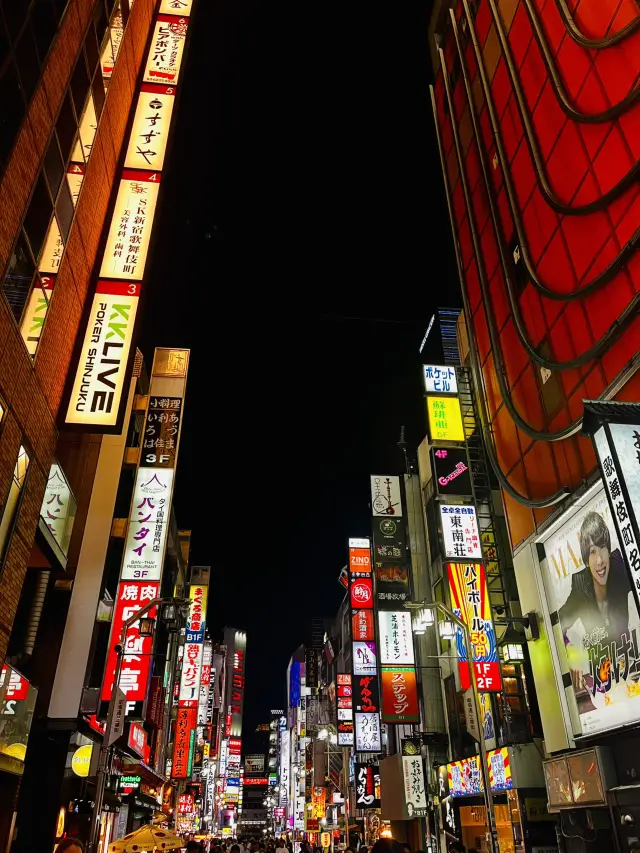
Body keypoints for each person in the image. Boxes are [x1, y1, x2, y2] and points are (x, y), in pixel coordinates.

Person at [559, 511, 632, 689]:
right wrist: (570, 651)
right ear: (586, 560)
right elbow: (558, 624)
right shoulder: (580, 585)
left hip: (630, 666)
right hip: (602, 679)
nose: (600, 560)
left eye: (603, 548)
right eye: (592, 552)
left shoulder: (620, 567)